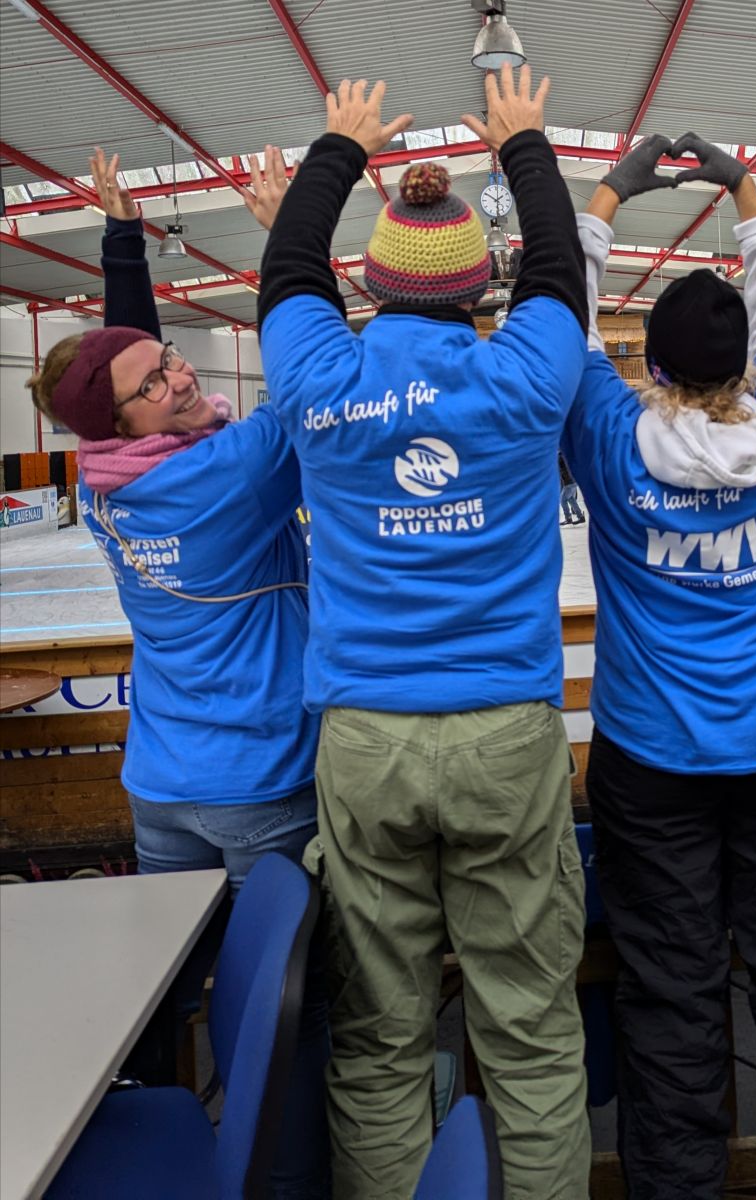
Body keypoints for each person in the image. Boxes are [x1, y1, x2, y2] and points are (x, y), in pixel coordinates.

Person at [256, 72, 590, 1198]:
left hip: (367, 737)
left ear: (368, 281)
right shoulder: (524, 376)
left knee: (379, 1033)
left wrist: (339, 148)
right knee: (530, 1031)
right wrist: (525, 146)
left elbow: (288, 271)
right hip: (504, 732)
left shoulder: (319, 377)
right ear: (483, 285)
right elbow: (559, 268)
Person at [566, 132, 756, 1200]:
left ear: (648, 365)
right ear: (745, 364)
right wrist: (745, 190)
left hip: (653, 762)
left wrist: (607, 197)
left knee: (671, 985)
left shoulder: (607, 431)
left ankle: (679, 1181)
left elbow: (561, 322)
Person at [27, 146, 328, 1199]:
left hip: (162, 787)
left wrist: (124, 240)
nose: (180, 375)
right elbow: (313, 372)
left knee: (173, 1001)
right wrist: (291, 236)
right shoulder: (230, 476)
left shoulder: (105, 481)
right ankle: (284, 1187)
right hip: (259, 786)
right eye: (156, 385)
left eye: (171, 360)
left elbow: (116, 366)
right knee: (282, 1024)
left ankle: (162, 1153)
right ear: (127, 423)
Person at [559, 452, 586, 524]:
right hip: (573, 481)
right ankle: (581, 517)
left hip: (569, 483)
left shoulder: (560, 457)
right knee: (571, 499)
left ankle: (568, 518)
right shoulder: (565, 455)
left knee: (562, 500)